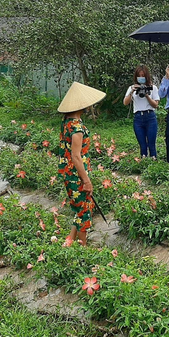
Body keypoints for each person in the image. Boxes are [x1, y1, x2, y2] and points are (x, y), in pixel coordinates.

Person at [57, 81, 106, 246]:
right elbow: (76, 156)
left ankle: (69, 241)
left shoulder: (67, 123)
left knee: (80, 207)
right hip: (77, 174)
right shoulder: (77, 128)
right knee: (85, 210)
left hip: (69, 173)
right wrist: (86, 180)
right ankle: (82, 248)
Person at [123, 64, 160, 158]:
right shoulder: (132, 88)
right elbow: (125, 102)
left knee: (151, 144)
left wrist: (147, 94)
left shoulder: (153, 88)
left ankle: (153, 161)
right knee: (142, 145)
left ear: (147, 76)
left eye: (143, 75)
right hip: (138, 117)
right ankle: (143, 162)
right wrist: (132, 91)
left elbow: (155, 105)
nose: (141, 78)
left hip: (150, 116)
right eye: (139, 76)